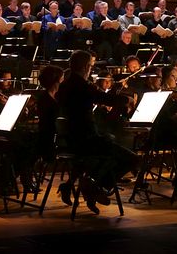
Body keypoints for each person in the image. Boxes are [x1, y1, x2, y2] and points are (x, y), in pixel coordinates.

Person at [56, 50, 138, 214]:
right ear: (86, 67)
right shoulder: (82, 86)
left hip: (68, 141)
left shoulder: (64, 86)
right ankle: (95, 184)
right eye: (91, 67)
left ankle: (87, 183)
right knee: (132, 159)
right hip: (86, 140)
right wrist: (127, 99)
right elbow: (106, 99)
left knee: (107, 142)